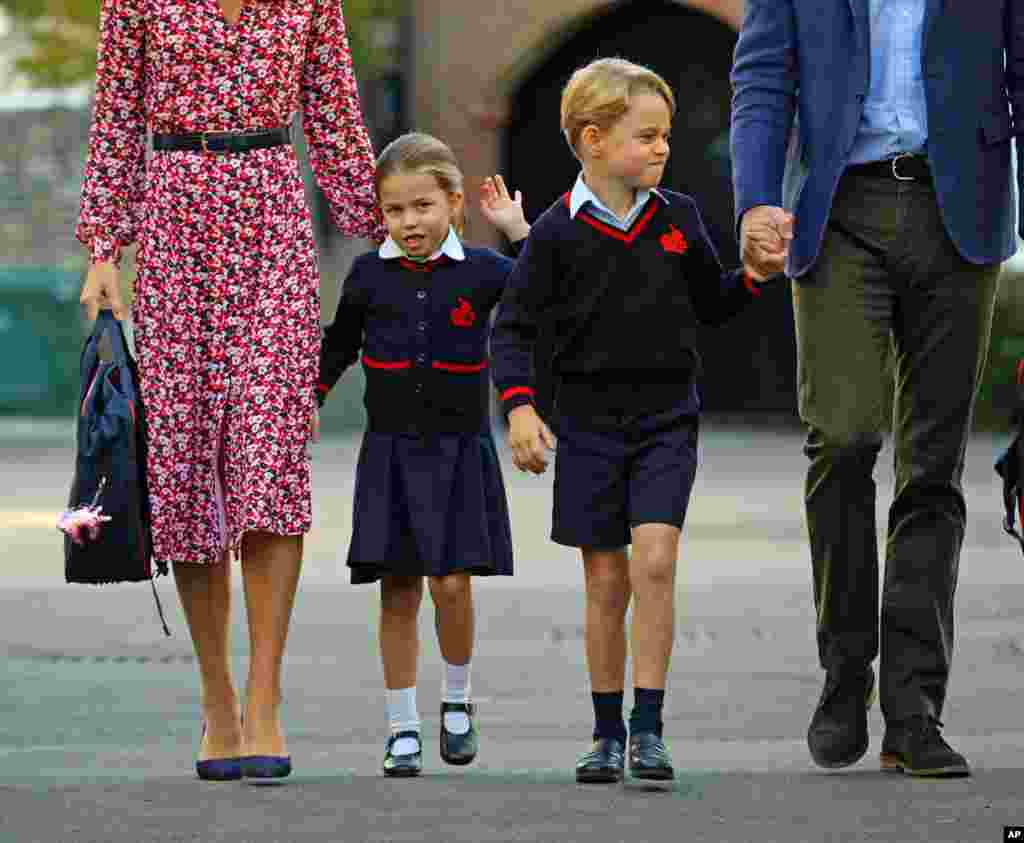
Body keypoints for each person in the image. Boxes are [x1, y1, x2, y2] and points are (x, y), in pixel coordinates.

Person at [76, 0, 383, 780]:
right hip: (175, 217)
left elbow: (335, 112)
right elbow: (116, 116)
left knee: (271, 454)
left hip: (273, 213)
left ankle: (265, 696)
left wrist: (389, 235)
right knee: (182, 465)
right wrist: (105, 248)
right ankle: (217, 700)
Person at [731, 0, 1024, 778]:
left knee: (932, 466)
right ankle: (845, 669)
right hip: (838, 210)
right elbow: (762, 74)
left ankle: (914, 708)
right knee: (844, 432)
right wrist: (757, 195)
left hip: (960, 207)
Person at [490, 57, 777, 785]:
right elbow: (513, 326)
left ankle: (649, 729)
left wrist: (751, 277)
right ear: (592, 140)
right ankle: (606, 731)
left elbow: (712, 303)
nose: (662, 149)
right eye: (646, 136)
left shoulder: (678, 217)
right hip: (587, 424)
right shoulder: (554, 233)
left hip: (666, 419)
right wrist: (520, 407)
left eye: (666, 136)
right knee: (606, 582)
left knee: (655, 560)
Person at [316, 132, 530, 777]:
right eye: (394, 210)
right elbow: (339, 344)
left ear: (454, 204)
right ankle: (402, 726)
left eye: (422, 207)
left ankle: (458, 703)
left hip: (461, 450)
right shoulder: (367, 275)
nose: (409, 223)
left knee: (453, 584)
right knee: (398, 589)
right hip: (390, 453)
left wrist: (520, 235)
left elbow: (547, 301)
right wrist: (307, 399)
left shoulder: (487, 271)